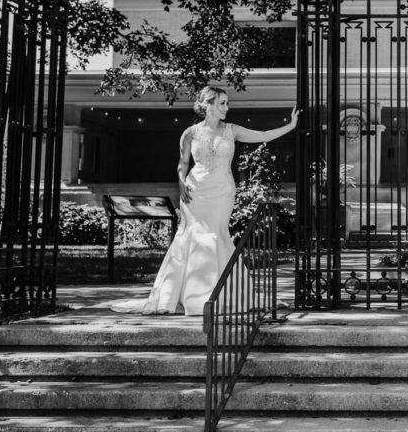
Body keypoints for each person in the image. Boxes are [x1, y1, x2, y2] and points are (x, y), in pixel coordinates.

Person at [112, 86, 299, 315]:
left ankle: (221, 296)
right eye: (222, 103)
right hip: (195, 191)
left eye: (227, 103)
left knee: (216, 235)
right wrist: (181, 181)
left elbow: (263, 136)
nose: (227, 107)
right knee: (189, 236)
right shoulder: (190, 133)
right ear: (208, 104)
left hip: (222, 191)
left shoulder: (232, 130)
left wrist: (291, 126)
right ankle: (185, 297)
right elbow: (182, 162)